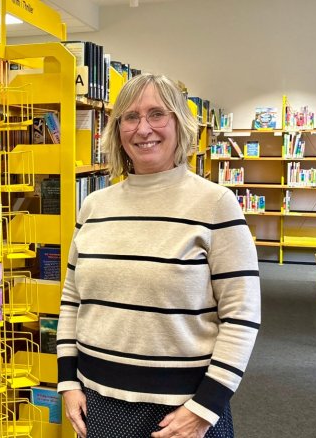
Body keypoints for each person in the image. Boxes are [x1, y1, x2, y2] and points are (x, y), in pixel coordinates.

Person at [58, 74, 261, 438]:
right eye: (130, 117)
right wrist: (68, 382)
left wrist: (205, 408)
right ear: (117, 130)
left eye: (157, 114)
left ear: (180, 125)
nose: (143, 128)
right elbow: (73, 301)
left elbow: (241, 316)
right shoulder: (93, 206)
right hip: (98, 404)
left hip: (182, 411)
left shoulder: (216, 205)